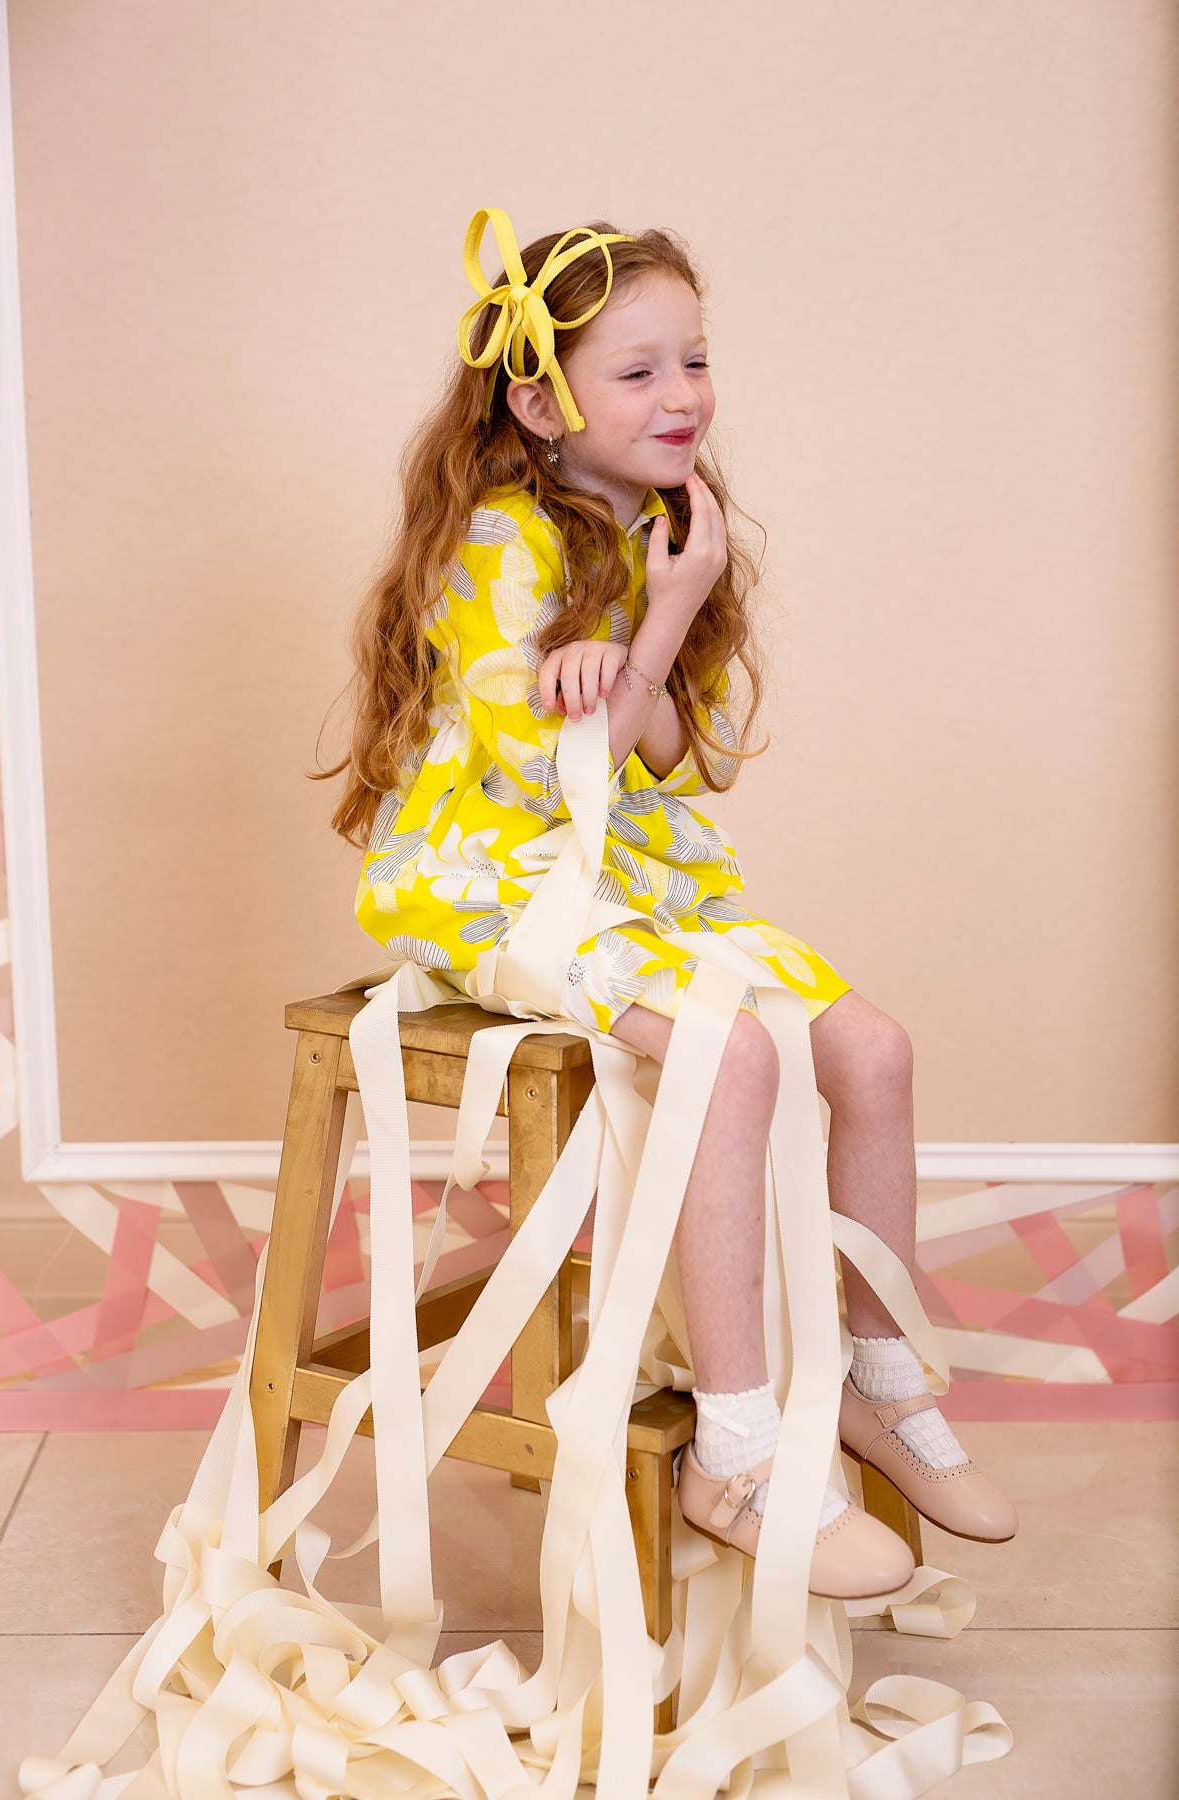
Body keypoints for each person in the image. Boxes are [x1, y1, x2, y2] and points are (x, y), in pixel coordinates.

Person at [320, 206, 1017, 1599]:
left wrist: (664, 613)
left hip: (620, 871)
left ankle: (879, 1377)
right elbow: (544, 779)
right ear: (542, 402)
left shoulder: (655, 527)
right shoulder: (498, 542)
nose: (683, 394)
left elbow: (660, 758)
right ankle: (738, 1453)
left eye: (693, 359)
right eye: (638, 371)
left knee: (875, 1051)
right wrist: (650, 634)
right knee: (730, 1051)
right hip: (490, 878)